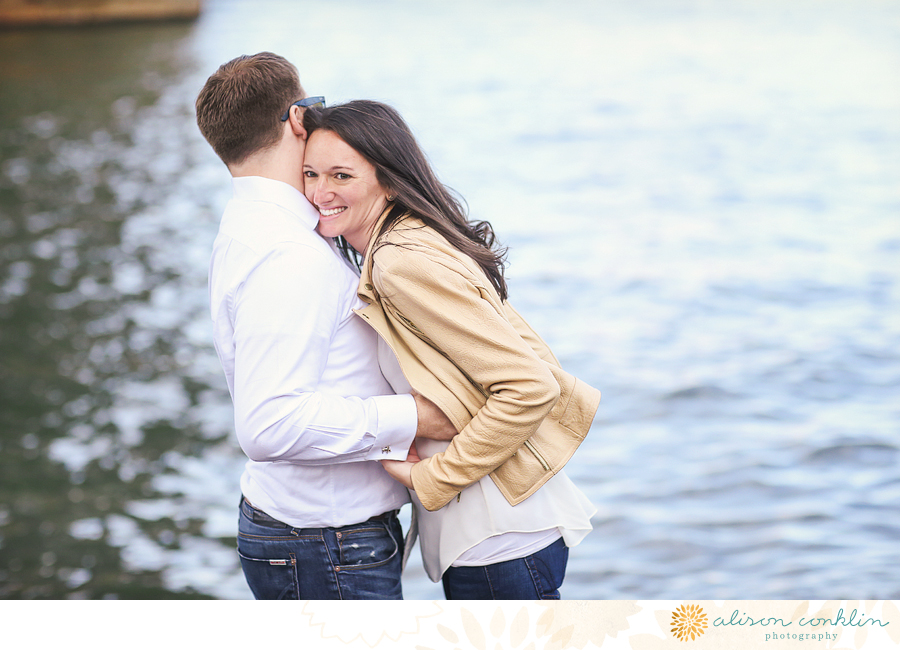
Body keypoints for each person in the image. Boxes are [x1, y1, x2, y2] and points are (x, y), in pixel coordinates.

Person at [301, 100, 602, 599]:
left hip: (497, 540)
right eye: (310, 174)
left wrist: (433, 477)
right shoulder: (405, 240)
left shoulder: (400, 262)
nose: (320, 192)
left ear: (389, 179)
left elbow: (530, 385)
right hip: (503, 533)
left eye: (341, 175)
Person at [195, 53, 456, 600]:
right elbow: (267, 424)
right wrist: (417, 416)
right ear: (296, 119)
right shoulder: (288, 253)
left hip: (312, 536)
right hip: (324, 541)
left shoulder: (253, 226)